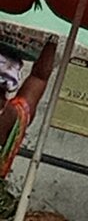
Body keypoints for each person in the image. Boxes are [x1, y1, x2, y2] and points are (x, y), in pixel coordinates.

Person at [0, 39, 56, 178]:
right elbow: (39, 77)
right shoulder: (16, 116)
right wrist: (53, 39)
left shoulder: (13, 116)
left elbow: (39, 78)